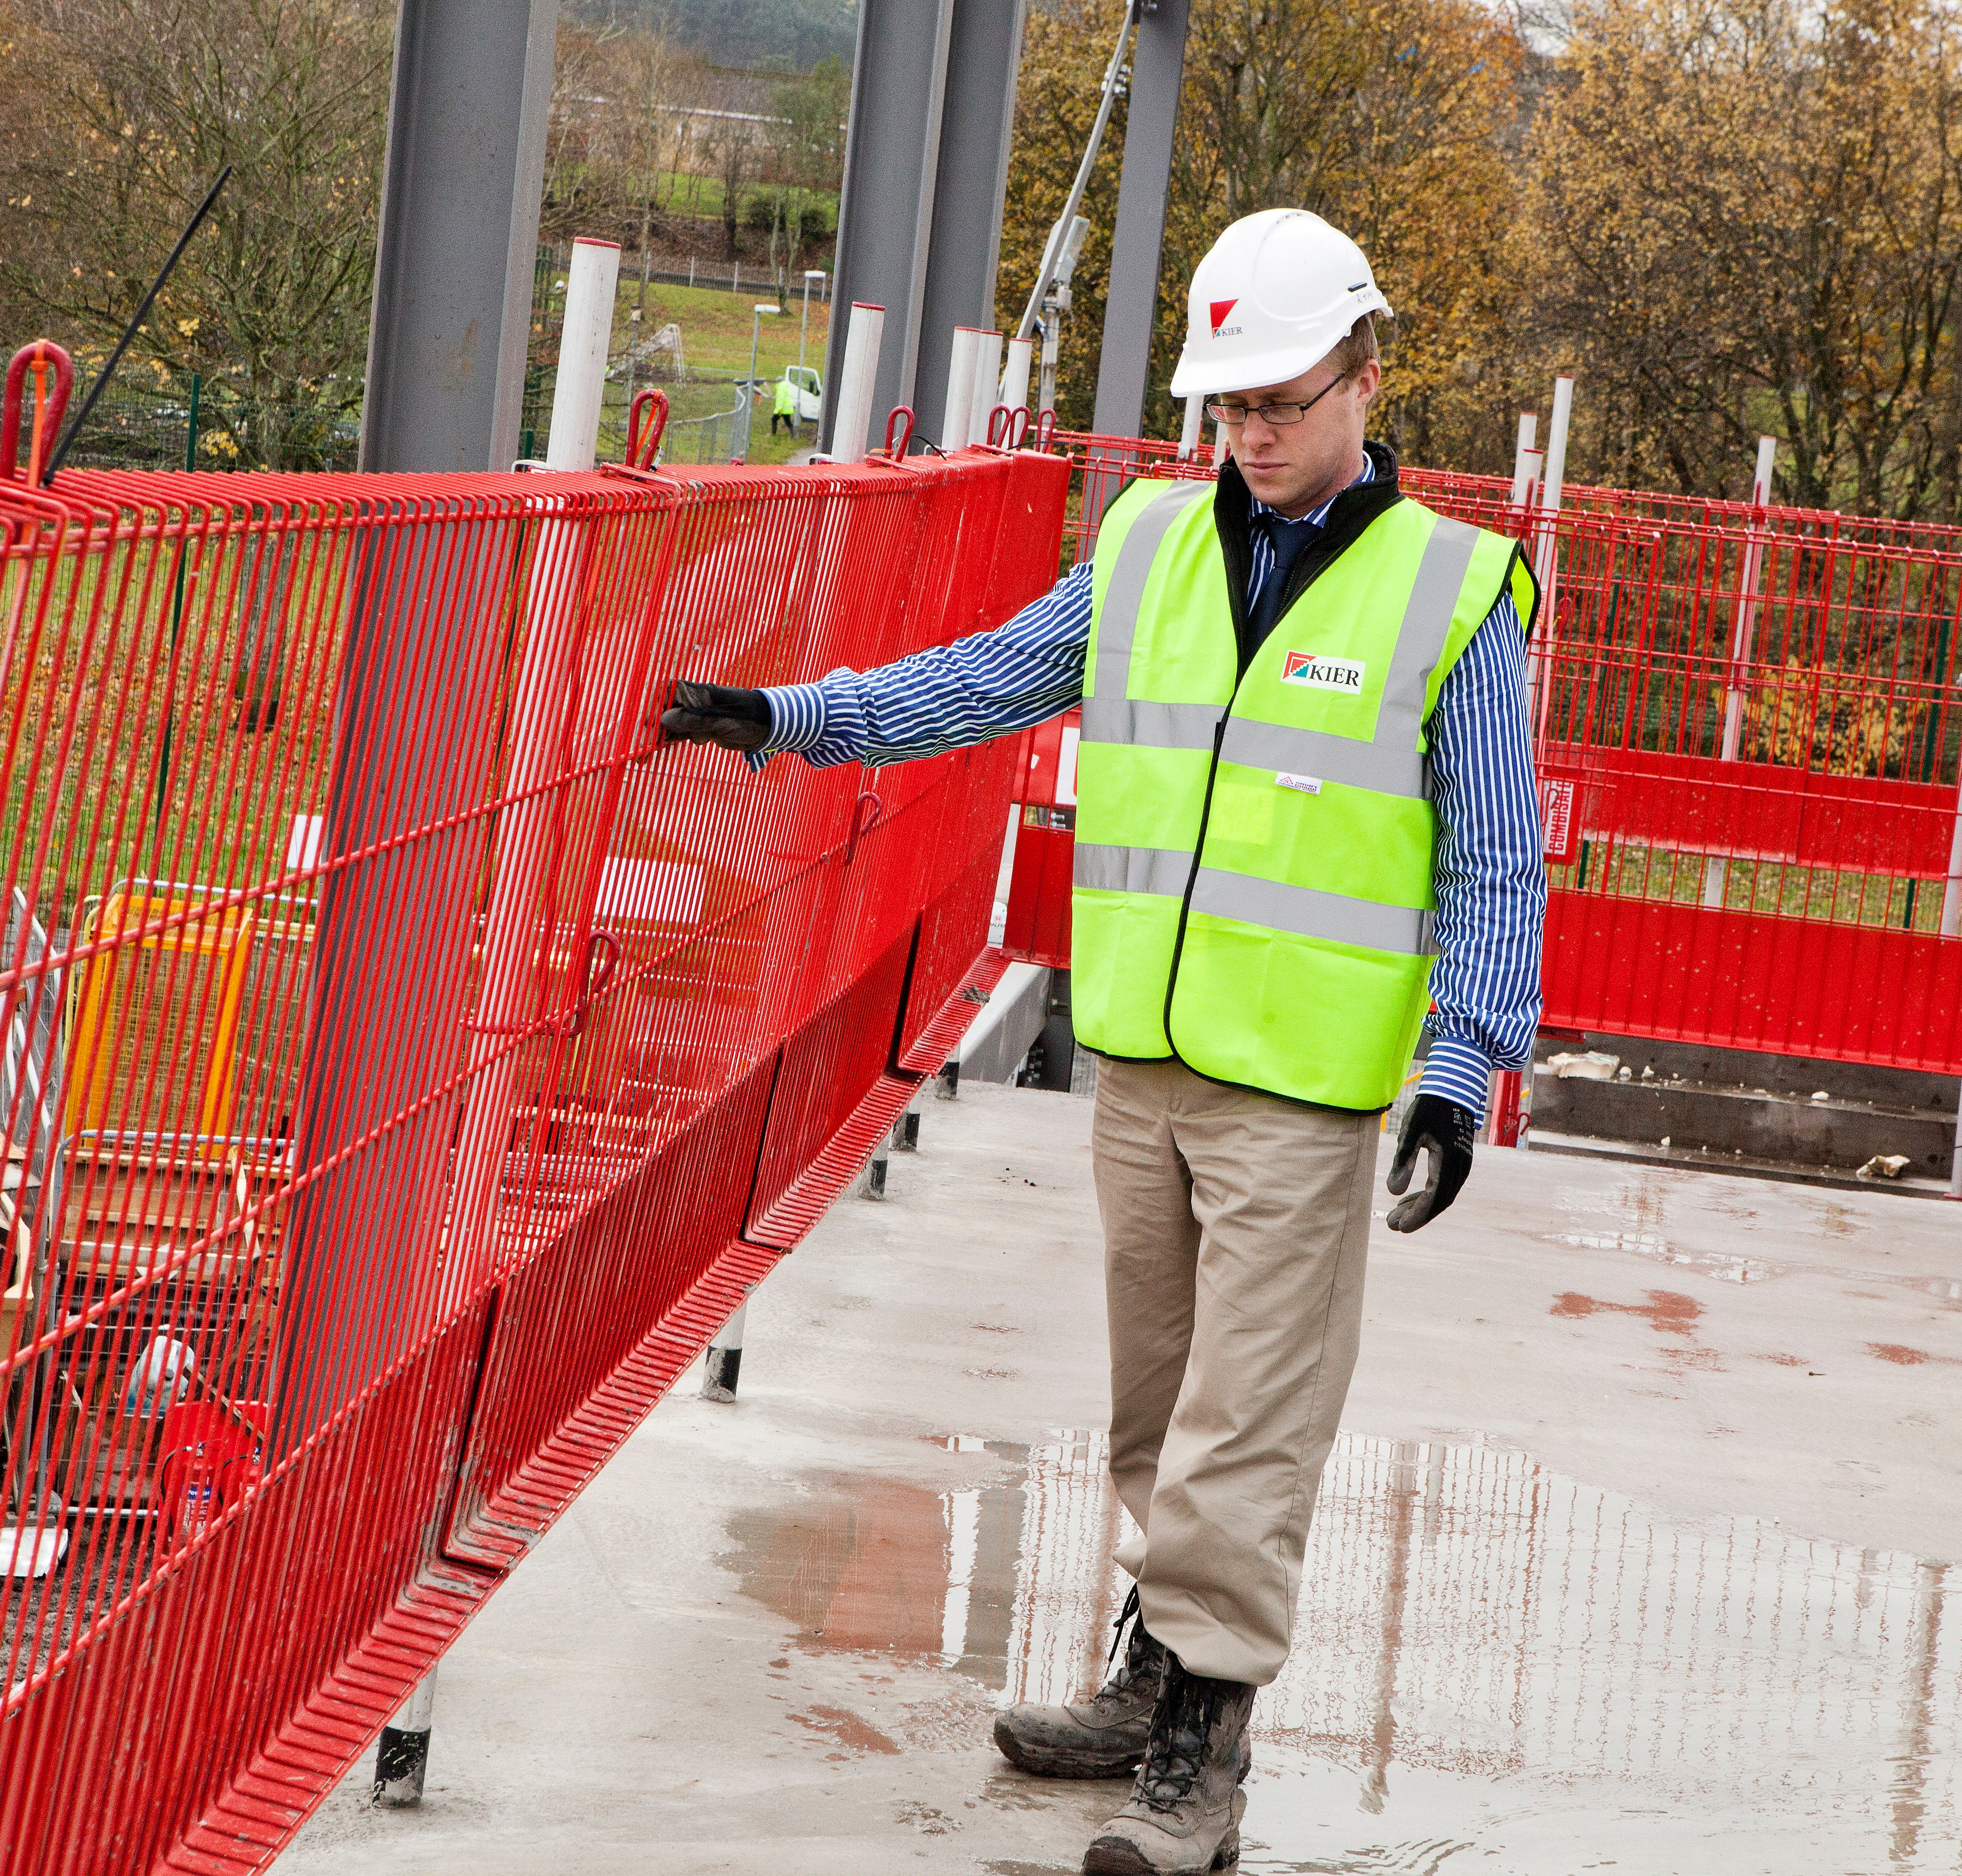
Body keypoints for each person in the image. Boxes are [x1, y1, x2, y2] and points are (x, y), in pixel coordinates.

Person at [657, 208, 1545, 1876]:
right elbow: (992, 679)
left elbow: (1496, 848)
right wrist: (798, 719)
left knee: (1249, 1419)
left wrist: (1462, 1060)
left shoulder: (1453, 592)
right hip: (1140, 1053)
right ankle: (1156, 1679)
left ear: (1365, 376)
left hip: (1304, 1082)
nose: (1253, 436)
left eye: (1281, 402)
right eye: (1228, 408)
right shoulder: (1146, 545)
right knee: (1156, 1401)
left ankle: (1205, 1744)